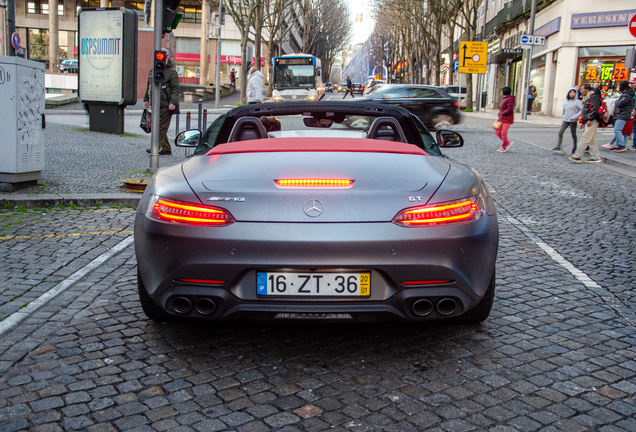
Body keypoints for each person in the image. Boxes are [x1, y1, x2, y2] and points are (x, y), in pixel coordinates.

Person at [144, 57, 180, 156]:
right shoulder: (152, 70)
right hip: (154, 103)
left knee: (161, 127)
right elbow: (149, 85)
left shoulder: (172, 72)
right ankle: (166, 148)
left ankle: (155, 147)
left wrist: (172, 102)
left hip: (166, 104)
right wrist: (146, 98)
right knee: (156, 126)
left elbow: (175, 89)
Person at [569, 84, 602, 163]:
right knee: (592, 140)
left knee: (585, 138)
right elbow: (586, 110)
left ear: (587, 90)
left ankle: (577, 156)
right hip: (589, 120)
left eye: (582, 90)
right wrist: (583, 121)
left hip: (592, 120)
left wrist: (590, 119)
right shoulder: (588, 97)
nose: (581, 91)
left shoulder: (593, 97)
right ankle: (596, 157)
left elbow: (594, 109)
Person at [552, 88, 582, 155]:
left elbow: (581, 110)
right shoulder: (566, 101)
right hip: (566, 119)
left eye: (573, 92)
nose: (572, 94)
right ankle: (558, 146)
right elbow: (564, 110)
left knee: (573, 134)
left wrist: (575, 117)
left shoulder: (577, 102)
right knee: (560, 132)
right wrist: (564, 116)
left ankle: (574, 148)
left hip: (573, 120)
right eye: (571, 92)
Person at [609, 80, 635, 152]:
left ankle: (621, 144)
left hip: (623, 114)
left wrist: (616, 101)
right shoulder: (627, 94)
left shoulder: (626, 95)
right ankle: (618, 145)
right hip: (624, 114)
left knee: (617, 129)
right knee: (621, 130)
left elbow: (620, 103)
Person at [495, 86, 515, 152]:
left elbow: (510, 109)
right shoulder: (505, 99)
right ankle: (507, 143)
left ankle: (503, 147)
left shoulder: (509, 99)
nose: (501, 92)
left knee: (503, 133)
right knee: (497, 131)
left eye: (501, 91)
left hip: (507, 119)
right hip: (502, 118)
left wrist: (503, 113)